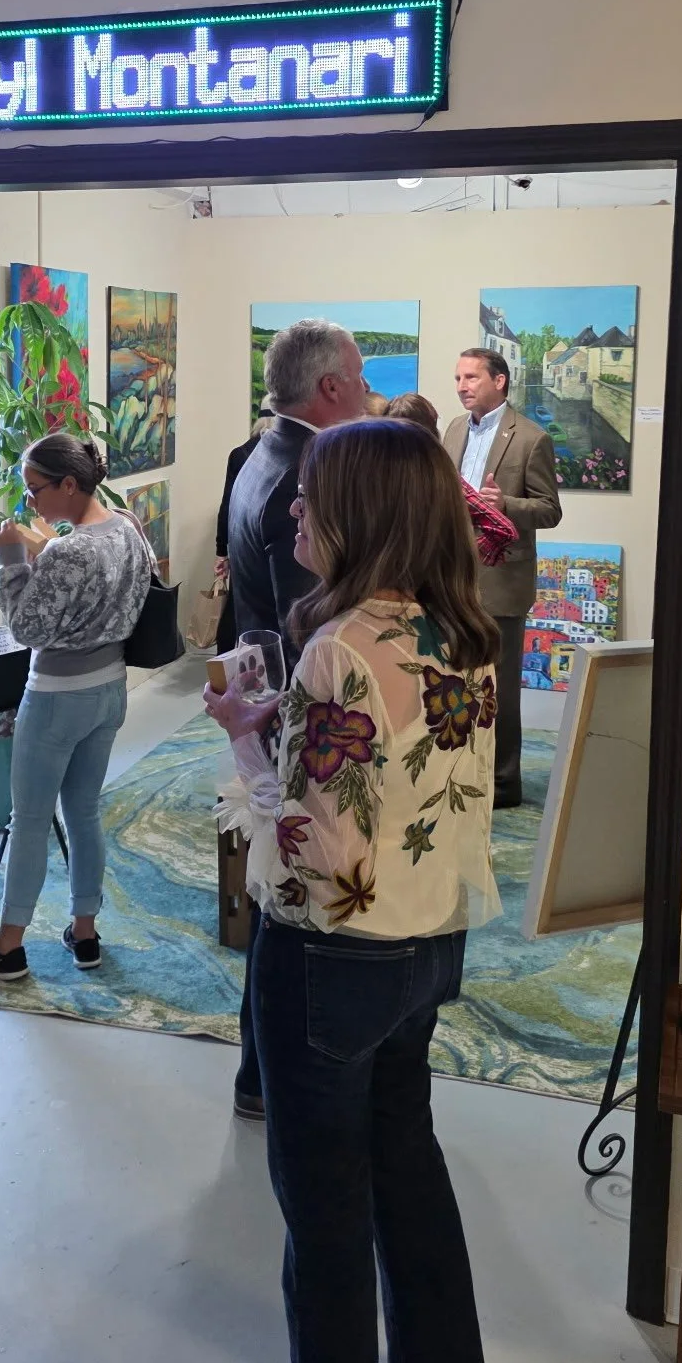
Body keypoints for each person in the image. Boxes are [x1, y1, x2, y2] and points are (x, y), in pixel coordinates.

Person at [205, 418, 501, 1363]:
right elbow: (411, 796)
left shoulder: (335, 646)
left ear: (361, 512)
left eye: (311, 499)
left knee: (323, 1231)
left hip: (330, 961)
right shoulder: (462, 632)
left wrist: (244, 744)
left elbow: (316, 852)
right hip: (430, 947)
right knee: (410, 1179)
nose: (291, 514)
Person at [226, 320, 368, 1118]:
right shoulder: (304, 470)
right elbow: (301, 617)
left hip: (270, 697)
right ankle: (268, 1075)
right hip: (293, 708)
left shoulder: (260, 453)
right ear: (332, 388)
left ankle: (262, 1072)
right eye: (361, 378)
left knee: (282, 894)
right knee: (293, 901)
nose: (370, 393)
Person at [0, 433, 151, 980]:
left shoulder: (70, 551)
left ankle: (8, 945)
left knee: (28, 820)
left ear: (69, 484)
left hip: (55, 698)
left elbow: (26, 627)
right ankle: (86, 933)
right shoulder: (127, 527)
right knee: (85, 810)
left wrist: (10, 560)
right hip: (110, 688)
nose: (30, 503)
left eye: (35, 490)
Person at [442, 349, 561, 808]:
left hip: (501, 578)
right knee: (453, 678)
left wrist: (504, 504)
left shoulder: (531, 439)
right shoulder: (453, 430)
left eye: (471, 377)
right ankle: (458, 770)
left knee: (500, 685)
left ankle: (504, 784)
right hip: (452, 573)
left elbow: (550, 510)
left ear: (501, 381)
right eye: (457, 377)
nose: (461, 385)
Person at [387, 392, 520, 569]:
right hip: (427, 582)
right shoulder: (442, 478)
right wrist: (460, 556)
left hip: (380, 583)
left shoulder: (373, 478)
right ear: (431, 429)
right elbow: (503, 530)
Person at [214, 410, 273, 655]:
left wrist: (221, 551)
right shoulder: (293, 452)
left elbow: (227, 505)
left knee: (238, 606)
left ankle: (227, 661)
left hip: (243, 542)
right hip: (275, 544)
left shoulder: (241, 453)